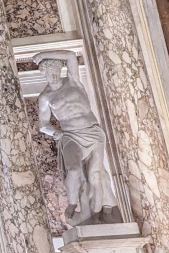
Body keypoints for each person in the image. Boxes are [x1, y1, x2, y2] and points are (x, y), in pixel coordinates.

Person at [33, 49, 119, 226]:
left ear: (60, 71)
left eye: (56, 72)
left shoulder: (73, 81)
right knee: (73, 171)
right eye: (49, 73)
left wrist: (45, 55)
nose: (53, 76)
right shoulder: (45, 97)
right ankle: (72, 204)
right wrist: (54, 132)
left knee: (95, 176)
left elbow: (71, 56)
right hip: (71, 136)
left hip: (93, 133)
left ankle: (96, 216)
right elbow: (43, 124)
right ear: (44, 75)